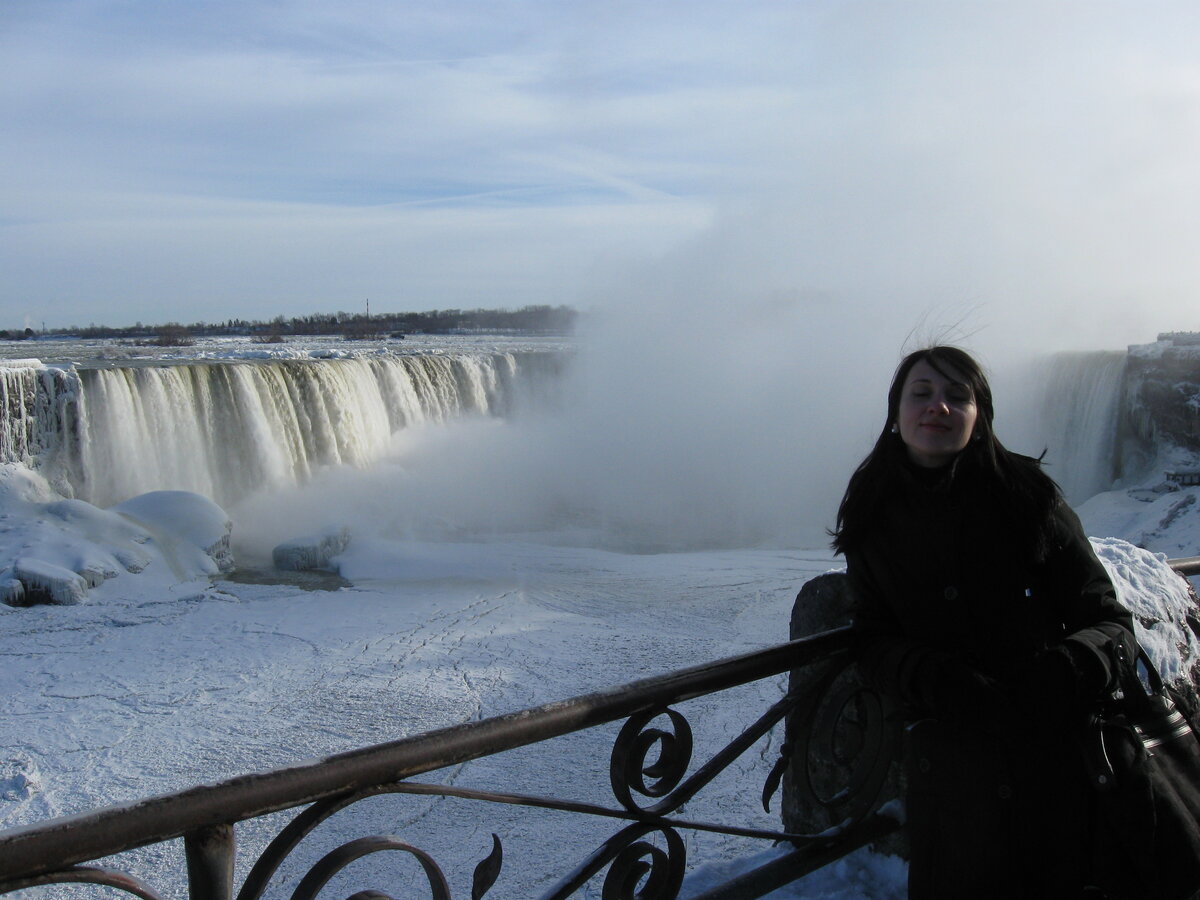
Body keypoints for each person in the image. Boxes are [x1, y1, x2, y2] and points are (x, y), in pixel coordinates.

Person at [830, 345, 1136, 898]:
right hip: (951, 787)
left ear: (979, 418)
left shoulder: (1029, 499)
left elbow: (1109, 621)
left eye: (958, 395)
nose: (939, 407)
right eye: (921, 393)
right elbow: (871, 637)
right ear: (896, 414)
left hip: (1056, 770)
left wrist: (1064, 670)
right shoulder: (872, 515)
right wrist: (935, 677)